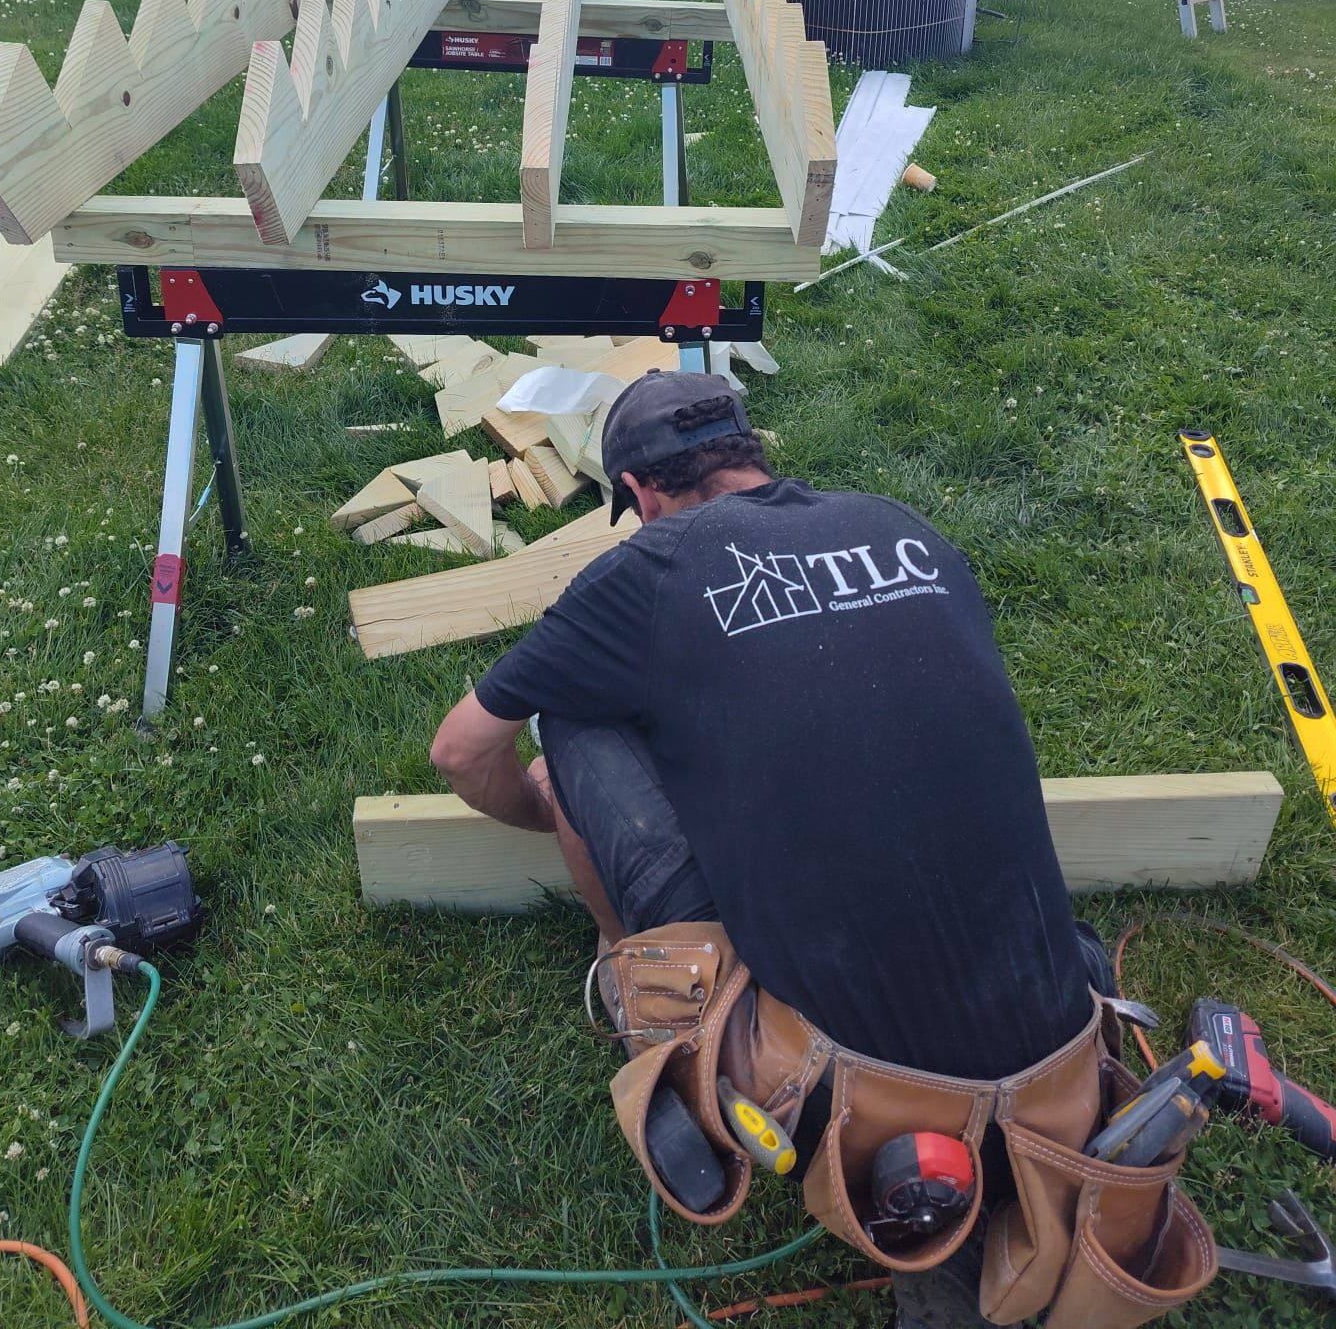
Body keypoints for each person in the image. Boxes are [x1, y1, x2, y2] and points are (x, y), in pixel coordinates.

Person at [430, 372, 1117, 1329]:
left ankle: (640, 987)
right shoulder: (903, 525)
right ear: (752, 454)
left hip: (843, 1096)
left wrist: (563, 808)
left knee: (570, 712)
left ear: (637, 495)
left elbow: (461, 750)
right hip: (1066, 1062)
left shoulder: (651, 566)